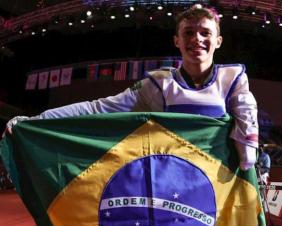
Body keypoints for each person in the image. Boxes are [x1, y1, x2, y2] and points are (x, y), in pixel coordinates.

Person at [4, 5, 259, 171]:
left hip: (217, 187)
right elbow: (98, 108)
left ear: (218, 40)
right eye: (189, 32)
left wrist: (249, 159)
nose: (197, 39)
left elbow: (247, 125)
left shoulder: (233, 78)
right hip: (170, 187)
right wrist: (36, 121)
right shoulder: (158, 84)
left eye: (205, 33)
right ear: (176, 40)